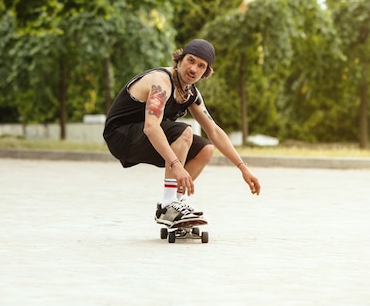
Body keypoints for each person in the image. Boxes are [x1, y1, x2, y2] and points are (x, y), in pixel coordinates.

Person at [103, 39, 261, 227]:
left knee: (206, 149)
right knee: (185, 131)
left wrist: (242, 168)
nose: (194, 69)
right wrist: (177, 166)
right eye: (191, 61)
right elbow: (151, 126)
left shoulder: (190, 93)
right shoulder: (161, 81)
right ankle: (168, 204)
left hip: (145, 138)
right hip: (120, 136)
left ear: (205, 72)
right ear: (179, 60)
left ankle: (175, 203)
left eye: (201, 66)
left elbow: (215, 131)